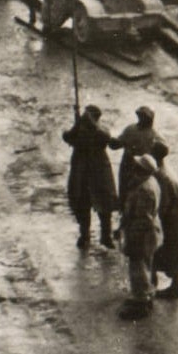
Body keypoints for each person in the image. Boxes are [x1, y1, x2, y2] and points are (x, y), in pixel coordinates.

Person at [62, 105, 118, 250]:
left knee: (105, 206)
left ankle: (106, 236)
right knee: (82, 205)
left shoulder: (101, 130)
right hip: (82, 174)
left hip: (99, 174)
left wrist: (89, 124)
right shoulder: (79, 131)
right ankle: (84, 234)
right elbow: (67, 137)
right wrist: (77, 124)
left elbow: (106, 138)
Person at [119, 155, 162, 320]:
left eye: (137, 166)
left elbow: (142, 217)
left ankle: (141, 301)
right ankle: (146, 296)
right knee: (145, 264)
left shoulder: (144, 190)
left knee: (138, 267)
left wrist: (130, 235)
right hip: (148, 232)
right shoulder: (150, 183)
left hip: (141, 233)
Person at [108, 106, 169, 207]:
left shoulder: (155, 136)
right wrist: (112, 141)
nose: (142, 119)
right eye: (140, 116)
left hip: (144, 169)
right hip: (127, 166)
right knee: (125, 193)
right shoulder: (131, 129)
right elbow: (118, 143)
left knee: (142, 195)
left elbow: (162, 152)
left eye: (144, 117)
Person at [152, 160, 178, 299]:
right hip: (176, 219)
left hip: (168, 221)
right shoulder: (168, 171)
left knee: (156, 252)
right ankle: (176, 285)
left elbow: (162, 204)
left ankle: (152, 287)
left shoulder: (160, 176)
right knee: (173, 254)